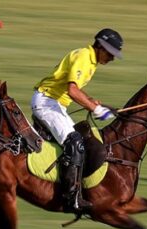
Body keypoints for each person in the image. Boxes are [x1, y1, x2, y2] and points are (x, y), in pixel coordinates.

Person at [31, 28, 123, 213]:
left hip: (55, 104)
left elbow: (76, 89)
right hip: (47, 102)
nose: (112, 58)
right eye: (111, 53)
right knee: (75, 142)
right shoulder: (83, 56)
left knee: (79, 138)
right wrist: (95, 109)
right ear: (100, 47)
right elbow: (72, 90)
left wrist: (91, 101)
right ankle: (71, 196)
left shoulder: (91, 61)